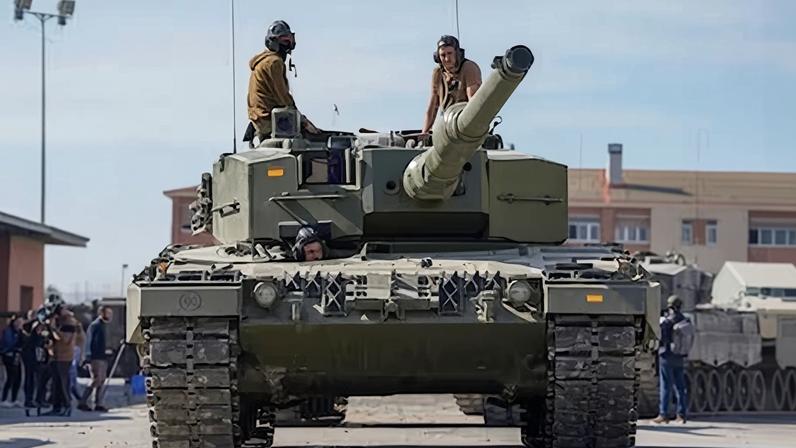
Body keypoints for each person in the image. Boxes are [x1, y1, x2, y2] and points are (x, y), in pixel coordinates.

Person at [247, 20, 319, 141]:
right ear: (274, 42)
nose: (288, 45)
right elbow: (283, 98)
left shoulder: (264, 61)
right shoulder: (274, 62)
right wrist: (303, 122)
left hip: (259, 119)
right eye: (285, 41)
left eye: (289, 40)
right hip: (268, 120)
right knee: (309, 140)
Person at [421, 35, 482, 136]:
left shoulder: (469, 68)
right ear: (437, 57)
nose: (446, 58)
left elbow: (473, 102)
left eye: (450, 53)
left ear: (457, 53)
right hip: (447, 125)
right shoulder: (438, 73)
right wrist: (424, 132)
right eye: (442, 55)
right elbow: (432, 107)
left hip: (466, 123)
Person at [654, 295, 689, 424]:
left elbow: (662, 338)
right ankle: (681, 415)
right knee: (680, 387)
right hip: (679, 356)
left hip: (666, 356)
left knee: (666, 387)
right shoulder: (684, 320)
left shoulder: (667, 321)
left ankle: (663, 414)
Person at [45, 306, 85, 416]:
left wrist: (53, 328)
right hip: (57, 356)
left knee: (64, 383)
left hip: (64, 357)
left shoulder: (69, 323)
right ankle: (56, 406)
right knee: (56, 383)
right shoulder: (62, 322)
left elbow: (64, 339)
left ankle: (66, 405)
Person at [78, 306, 113, 412]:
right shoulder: (95, 325)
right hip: (95, 357)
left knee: (101, 380)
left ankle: (98, 403)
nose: (110, 316)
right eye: (108, 313)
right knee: (96, 379)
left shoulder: (103, 326)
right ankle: (82, 402)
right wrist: (87, 357)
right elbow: (89, 342)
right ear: (102, 313)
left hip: (102, 356)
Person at [1, 315, 24, 407]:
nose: (19, 324)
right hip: (8, 355)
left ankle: (14, 399)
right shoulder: (8, 331)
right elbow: (8, 343)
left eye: (21, 322)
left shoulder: (20, 332)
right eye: (18, 322)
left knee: (18, 378)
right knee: (10, 378)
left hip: (17, 356)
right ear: (13, 322)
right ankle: (4, 399)